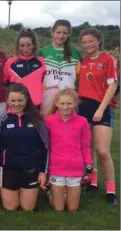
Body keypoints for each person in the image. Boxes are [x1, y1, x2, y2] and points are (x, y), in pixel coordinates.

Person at [78, 28, 118, 205]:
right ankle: (92, 182)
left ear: (98, 41)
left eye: (91, 41)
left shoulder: (108, 59)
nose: (88, 45)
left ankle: (111, 190)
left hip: (102, 107)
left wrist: (101, 109)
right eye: (84, 42)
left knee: (102, 150)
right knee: (88, 148)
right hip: (83, 107)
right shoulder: (83, 61)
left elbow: (112, 86)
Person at [0, 83, 49, 211]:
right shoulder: (0, 120)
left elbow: (45, 148)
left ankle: (48, 192)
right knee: (11, 207)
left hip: (30, 168)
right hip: (8, 168)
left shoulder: (37, 120)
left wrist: (42, 172)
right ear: (7, 100)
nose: (16, 104)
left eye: (20, 100)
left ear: (27, 100)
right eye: (13, 100)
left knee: (27, 208)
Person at [44, 89, 92, 212]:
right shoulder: (48, 121)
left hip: (75, 167)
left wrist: (88, 164)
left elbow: (85, 145)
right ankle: (51, 193)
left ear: (75, 104)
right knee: (59, 209)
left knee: (72, 209)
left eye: (69, 103)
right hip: (56, 167)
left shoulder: (82, 121)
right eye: (62, 103)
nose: (65, 107)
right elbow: (44, 146)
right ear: (56, 103)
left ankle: (65, 194)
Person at [39, 20, 82, 115]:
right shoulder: (42, 52)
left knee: (67, 125)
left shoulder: (75, 53)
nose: (61, 36)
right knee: (47, 123)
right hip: (48, 95)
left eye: (65, 33)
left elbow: (81, 75)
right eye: (58, 32)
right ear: (52, 32)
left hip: (68, 95)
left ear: (69, 34)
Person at [4, 29, 46, 108]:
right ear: (18, 46)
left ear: (34, 45)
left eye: (28, 45)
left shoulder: (41, 62)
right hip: (17, 106)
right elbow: (5, 84)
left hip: (35, 106)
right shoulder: (10, 63)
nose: (25, 49)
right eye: (22, 46)